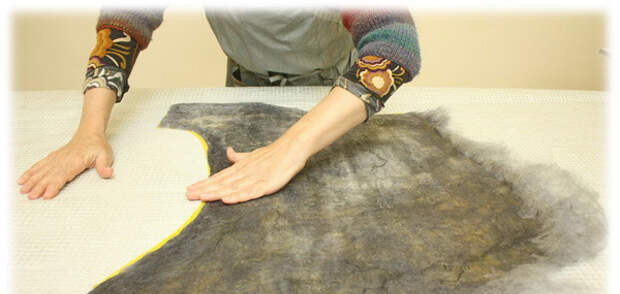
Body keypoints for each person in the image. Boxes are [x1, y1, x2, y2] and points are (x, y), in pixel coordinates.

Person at [18, 8, 421, 204]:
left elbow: (395, 44)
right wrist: (88, 132)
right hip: (242, 86)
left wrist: (291, 147)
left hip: (334, 99)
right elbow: (124, 20)